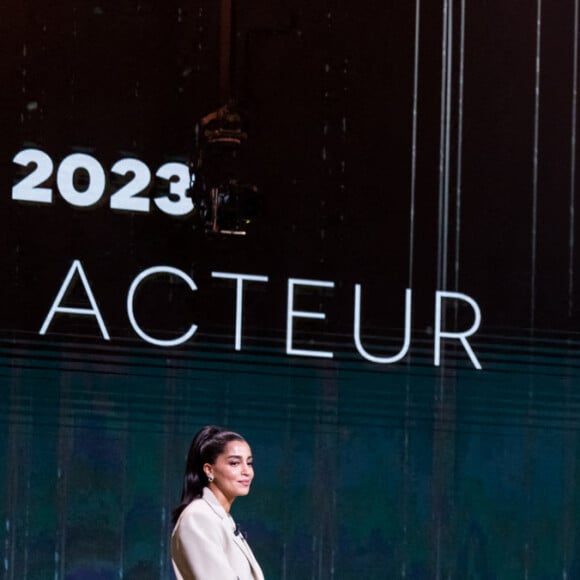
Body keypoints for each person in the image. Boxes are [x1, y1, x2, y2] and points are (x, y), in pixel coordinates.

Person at [171, 425, 265, 580]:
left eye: (249, 463)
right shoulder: (198, 517)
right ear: (209, 470)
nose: (246, 471)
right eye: (234, 463)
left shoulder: (220, 518)